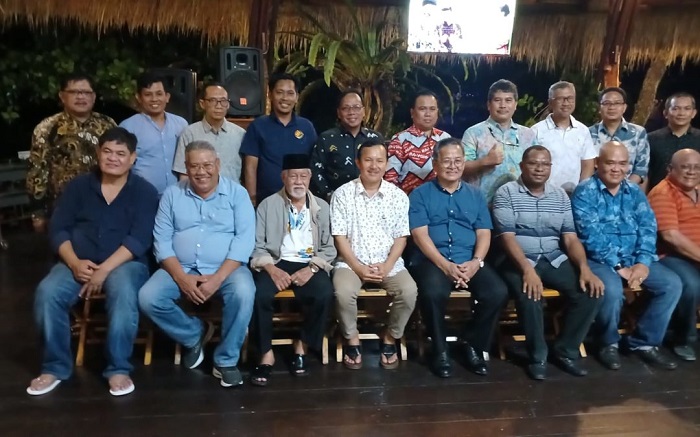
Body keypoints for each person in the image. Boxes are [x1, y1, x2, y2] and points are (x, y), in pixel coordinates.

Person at [26, 127, 158, 397]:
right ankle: (54, 367)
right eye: (107, 151)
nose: (113, 158)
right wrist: (74, 263)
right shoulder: (78, 187)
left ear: (132, 158)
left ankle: (118, 368)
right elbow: (59, 229)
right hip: (77, 262)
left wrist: (105, 270)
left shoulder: (144, 191)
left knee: (123, 291)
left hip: (125, 264)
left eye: (120, 153)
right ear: (98, 153)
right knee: (47, 293)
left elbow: (139, 238)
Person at [138, 141, 256, 388]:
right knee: (148, 297)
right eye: (194, 166)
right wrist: (181, 278)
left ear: (218, 165)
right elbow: (161, 241)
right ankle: (194, 333)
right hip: (181, 266)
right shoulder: (172, 194)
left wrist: (217, 279)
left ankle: (225, 360)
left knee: (244, 292)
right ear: (186, 167)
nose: (201, 172)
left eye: (207, 165)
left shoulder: (237, 194)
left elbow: (244, 242)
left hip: (227, 268)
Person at [492, 145, 603, 380]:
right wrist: (527, 269)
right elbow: (507, 237)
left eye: (545, 164)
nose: (539, 168)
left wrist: (585, 269)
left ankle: (565, 351)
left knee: (590, 292)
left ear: (550, 167)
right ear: (522, 166)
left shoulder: (560, 196)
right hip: (517, 259)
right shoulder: (506, 193)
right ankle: (537, 357)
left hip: (553, 258)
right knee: (530, 293)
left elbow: (570, 238)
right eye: (533, 163)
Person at [572, 141, 682, 371]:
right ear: (597, 163)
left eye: (622, 163)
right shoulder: (584, 191)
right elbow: (590, 235)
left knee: (671, 285)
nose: (616, 169)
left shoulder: (634, 192)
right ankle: (607, 344)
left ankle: (644, 343)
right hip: (599, 259)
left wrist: (642, 262)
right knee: (611, 291)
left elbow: (648, 228)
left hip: (634, 257)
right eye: (610, 163)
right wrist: (619, 265)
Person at [409, 137, 508, 378]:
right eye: (447, 161)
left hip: (468, 259)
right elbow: (420, 235)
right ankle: (440, 351)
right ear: (435, 164)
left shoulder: (475, 195)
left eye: (458, 161)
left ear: (464, 163)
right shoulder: (420, 194)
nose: (453, 166)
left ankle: (472, 343)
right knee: (433, 293)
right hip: (433, 260)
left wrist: (476, 262)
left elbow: (483, 232)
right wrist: (446, 266)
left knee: (497, 292)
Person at [249, 154, 336, 386]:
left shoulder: (322, 207)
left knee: (324, 293)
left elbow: (329, 248)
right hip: (276, 261)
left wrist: (312, 268)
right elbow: (257, 246)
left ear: (310, 177)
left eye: (303, 176)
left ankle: (302, 346)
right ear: (283, 177)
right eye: (293, 176)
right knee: (258, 295)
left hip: (309, 261)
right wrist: (271, 269)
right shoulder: (267, 205)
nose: (299, 181)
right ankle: (265, 353)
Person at [331, 139, 417, 370]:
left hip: (388, 263)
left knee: (409, 292)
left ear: (387, 164)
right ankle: (352, 338)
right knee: (342, 292)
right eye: (368, 160)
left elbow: (401, 237)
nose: (374, 165)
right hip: (351, 263)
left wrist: (388, 266)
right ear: (358, 162)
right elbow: (339, 237)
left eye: (380, 160)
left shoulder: (398, 196)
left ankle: (390, 336)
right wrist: (358, 268)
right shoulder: (342, 194)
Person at [26, 73, 117, 228]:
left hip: (105, 203)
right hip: (63, 206)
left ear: (94, 96)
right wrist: (38, 212)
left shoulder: (108, 124)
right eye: (74, 92)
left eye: (86, 92)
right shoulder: (47, 128)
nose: (81, 97)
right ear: (62, 96)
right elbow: (37, 171)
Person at [648, 149, 700, 362]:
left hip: (694, 254)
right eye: (685, 167)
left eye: (696, 168)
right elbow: (671, 237)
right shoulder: (663, 192)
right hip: (670, 256)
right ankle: (683, 339)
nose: (691, 172)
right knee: (692, 284)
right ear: (670, 169)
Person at [241, 73, 317, 206]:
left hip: (300, 201)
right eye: (279, 92)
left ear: (297, 97)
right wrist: (251, 200)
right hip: (265, 201)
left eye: (290, 93)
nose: (285, 98)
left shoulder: (307, 127)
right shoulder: (258, 126)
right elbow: (250, 167)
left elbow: (314, 164)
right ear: (270, 95)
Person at [462, 79, 537, 203]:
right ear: (488, 104)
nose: (503, 105)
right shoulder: (473, 133)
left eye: (508, 100)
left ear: (515, 104)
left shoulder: (528, 135)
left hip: (521, 203)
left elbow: (536, 168)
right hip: (482, 204)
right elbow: (460, 167)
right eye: (497, 100)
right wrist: (485, 161)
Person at [119, 72, 188, 195]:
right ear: (139, 97)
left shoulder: (181, 124)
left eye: (159, 94)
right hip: (141, 196)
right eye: (148, 94)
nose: (154, 99)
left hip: (176, 196)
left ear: (167, 97)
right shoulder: (127, 127)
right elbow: (121, 165)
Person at [310, 90, 383, 201]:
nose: (351, 112)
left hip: (371, 199)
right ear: (339, 113)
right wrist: (328, 195)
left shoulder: (375, 138)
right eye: (346, 108)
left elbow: (383, 167)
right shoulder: (326, 138)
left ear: (364, 112)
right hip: (334, 200)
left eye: (356, 107)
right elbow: (316, 170)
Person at [173, 82, 246, 183]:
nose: (219, 106)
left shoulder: (240, 134)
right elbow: (183, 175)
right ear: (202, 104)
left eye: (223, 101)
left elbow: (247, 172)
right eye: (213, 101)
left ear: (228, 104)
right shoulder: (189, 133)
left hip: (232, 192)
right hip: (198, 192)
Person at [531, 81, 597, 193]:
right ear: (550, 103)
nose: (566, 103)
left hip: (574, 194)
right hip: (543, 194)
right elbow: (531, 165)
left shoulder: (583, 131)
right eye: (560, 99)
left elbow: (588, 164)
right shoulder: (536, 131)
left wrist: (580, 192)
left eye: (570, 98)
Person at [385, 90, 451, 195]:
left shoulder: (445, 138)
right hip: (410, 200)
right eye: (422, 109)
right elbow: (390, 178)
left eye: (432, 109)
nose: (428, 114)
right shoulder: (400, 140)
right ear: (412, 113)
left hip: (442, 199)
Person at [589, 87, 650, 189]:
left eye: (617, 103)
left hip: (628, 190)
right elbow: (586, 167)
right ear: (600, 107)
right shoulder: (588, 133)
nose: (611, 107)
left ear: (624, 107)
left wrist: (622, 190)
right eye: (607, 103)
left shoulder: (638, 133)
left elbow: (641, 169)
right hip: (595, 190)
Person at [647, 92, 700, 189]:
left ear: (694, 113)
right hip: (659, 194)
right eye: (675, 108)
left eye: (687, 108)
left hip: (694, 195)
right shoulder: (651, 139)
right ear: (665, 113)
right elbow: (645, 174)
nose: (681, 113)